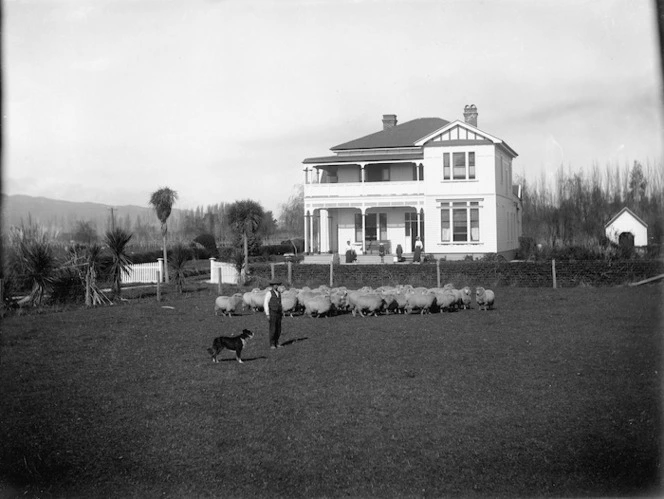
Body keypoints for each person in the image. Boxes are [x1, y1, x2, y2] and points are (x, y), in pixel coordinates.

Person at [263, 280, 283, 349]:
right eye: (275, 284)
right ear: (272, 285)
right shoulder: (269, 293)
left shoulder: (279, 293)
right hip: (272, 312)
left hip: (278, 313)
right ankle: (272, 343)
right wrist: (267, 314)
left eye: (277, 284)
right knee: (273, 328)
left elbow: (280, 303)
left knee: (278, 328)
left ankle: (277, 342)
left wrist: (281, 311)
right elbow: (266, 303)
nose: (276, 286)